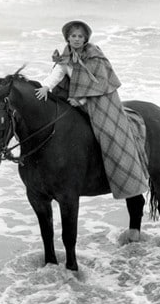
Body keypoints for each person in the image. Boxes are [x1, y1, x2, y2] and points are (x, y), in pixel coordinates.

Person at [34, 20, 149, 199]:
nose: (77, 39)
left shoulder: (94, 56)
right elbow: (57, 75)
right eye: (73, 36)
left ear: (86, 38)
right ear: (68, 38)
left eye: (80, 36)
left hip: (99, 98)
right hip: (74, 95)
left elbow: (101, 81)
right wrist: (44, 88)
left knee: (111, 133)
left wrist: (81, 100)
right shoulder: (65, 57)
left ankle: (122, 171)